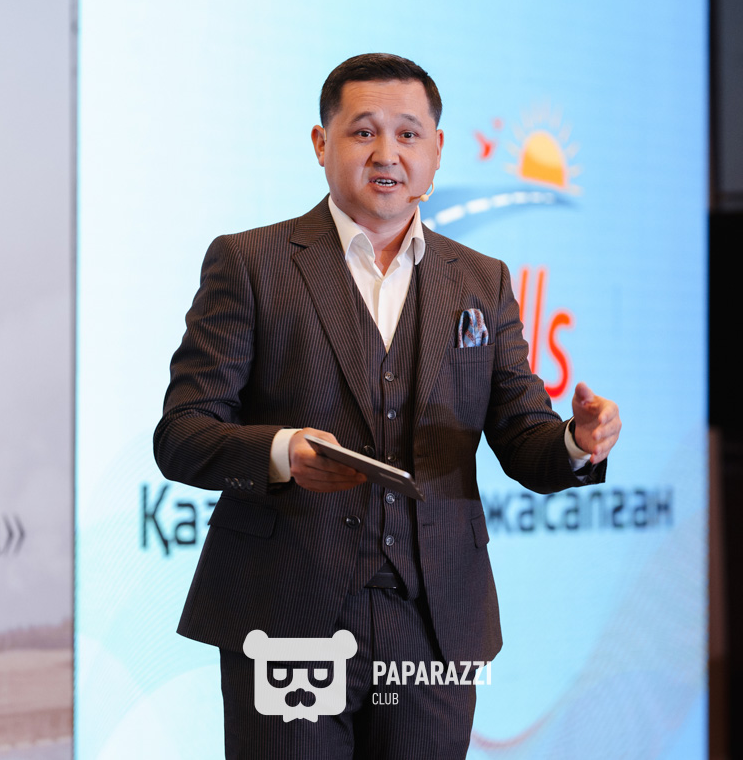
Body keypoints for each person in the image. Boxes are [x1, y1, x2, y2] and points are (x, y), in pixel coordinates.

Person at [154, 53, 621, 759]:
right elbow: (183, 434)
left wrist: (578, 442)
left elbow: (524, 436)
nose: (387, 153)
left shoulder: (482, 280)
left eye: (408, 134)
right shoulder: (250, 263)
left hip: (433, 620)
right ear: (322, 144)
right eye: (363, 131)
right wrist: (282, 453)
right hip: (289, 611)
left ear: (437, 149)